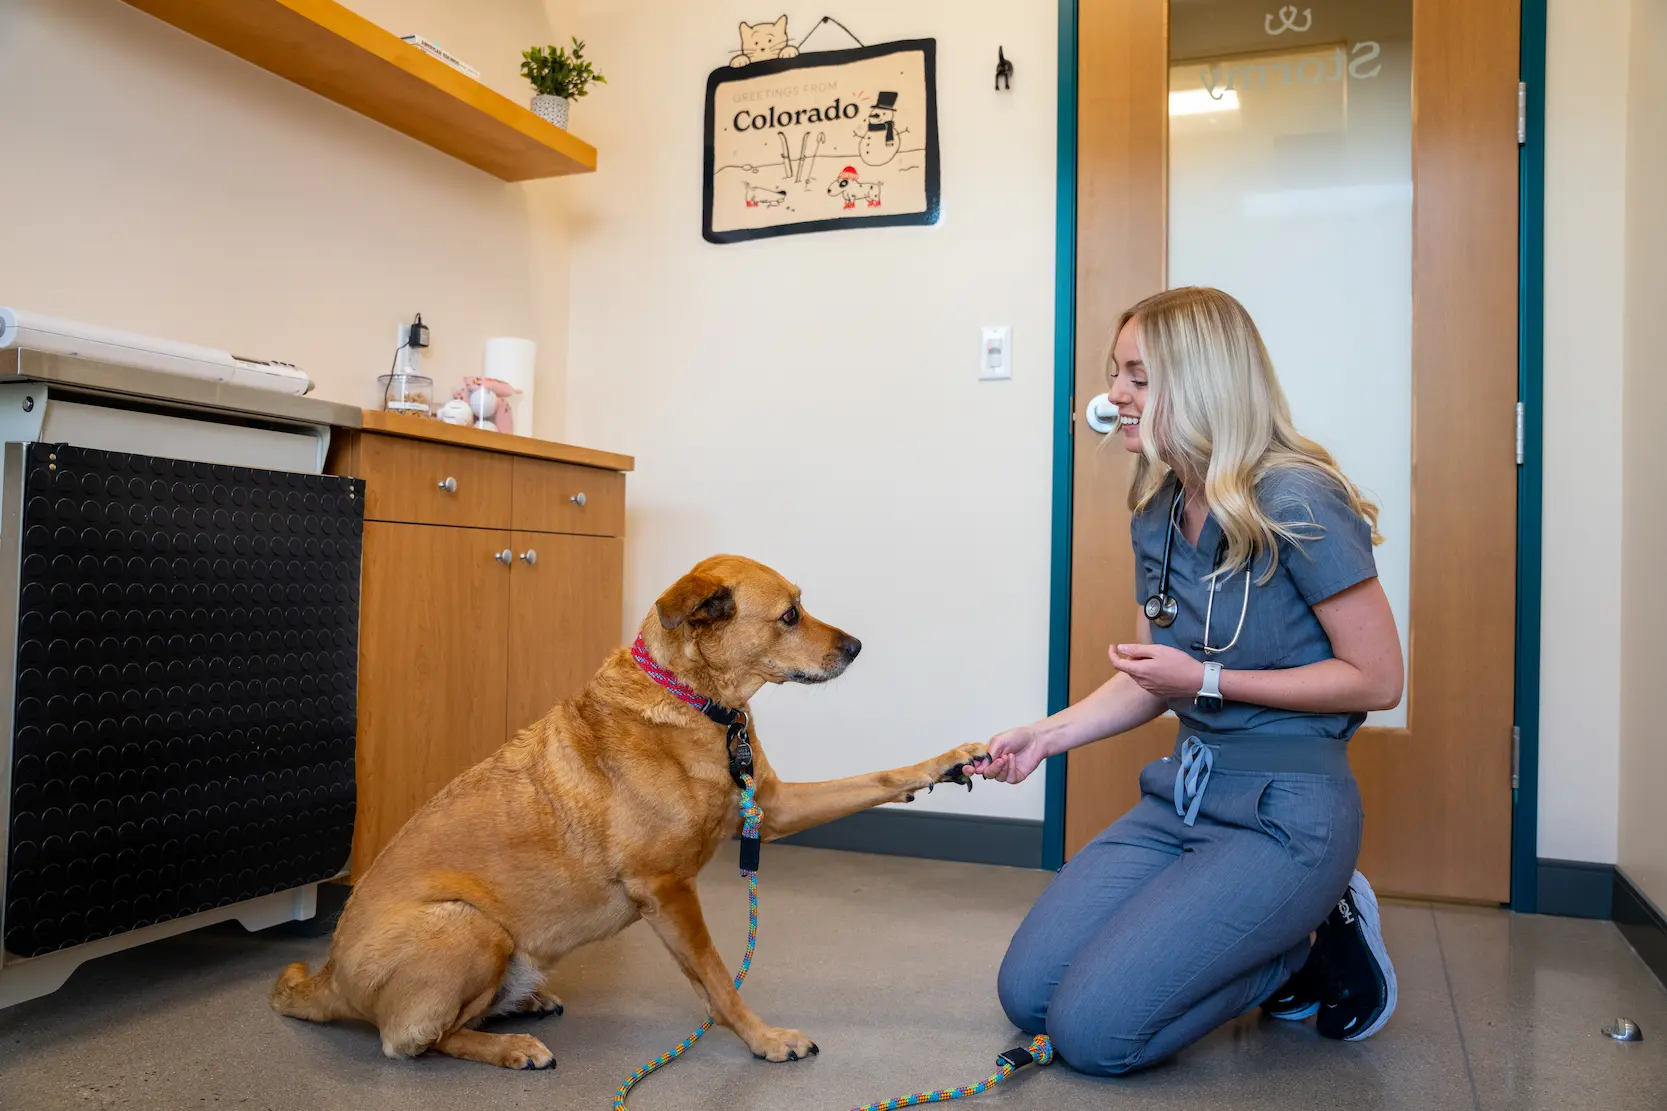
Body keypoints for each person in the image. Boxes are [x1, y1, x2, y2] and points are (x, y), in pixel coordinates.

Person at [972, 287, 1402, 1076]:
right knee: (1029, 995)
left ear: (1201, 380)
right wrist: (1046, 734)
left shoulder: (1297, 498)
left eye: (1137, 376)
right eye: (1115, 375)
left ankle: (1306, 938)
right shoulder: (1158, 510)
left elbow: (1376, 679)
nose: (1114, 397)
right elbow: (1151, 680)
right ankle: (1259, 927)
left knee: (1096, 1033)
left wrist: (1207, 676)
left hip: (1287, 813)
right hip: (1185, 794)